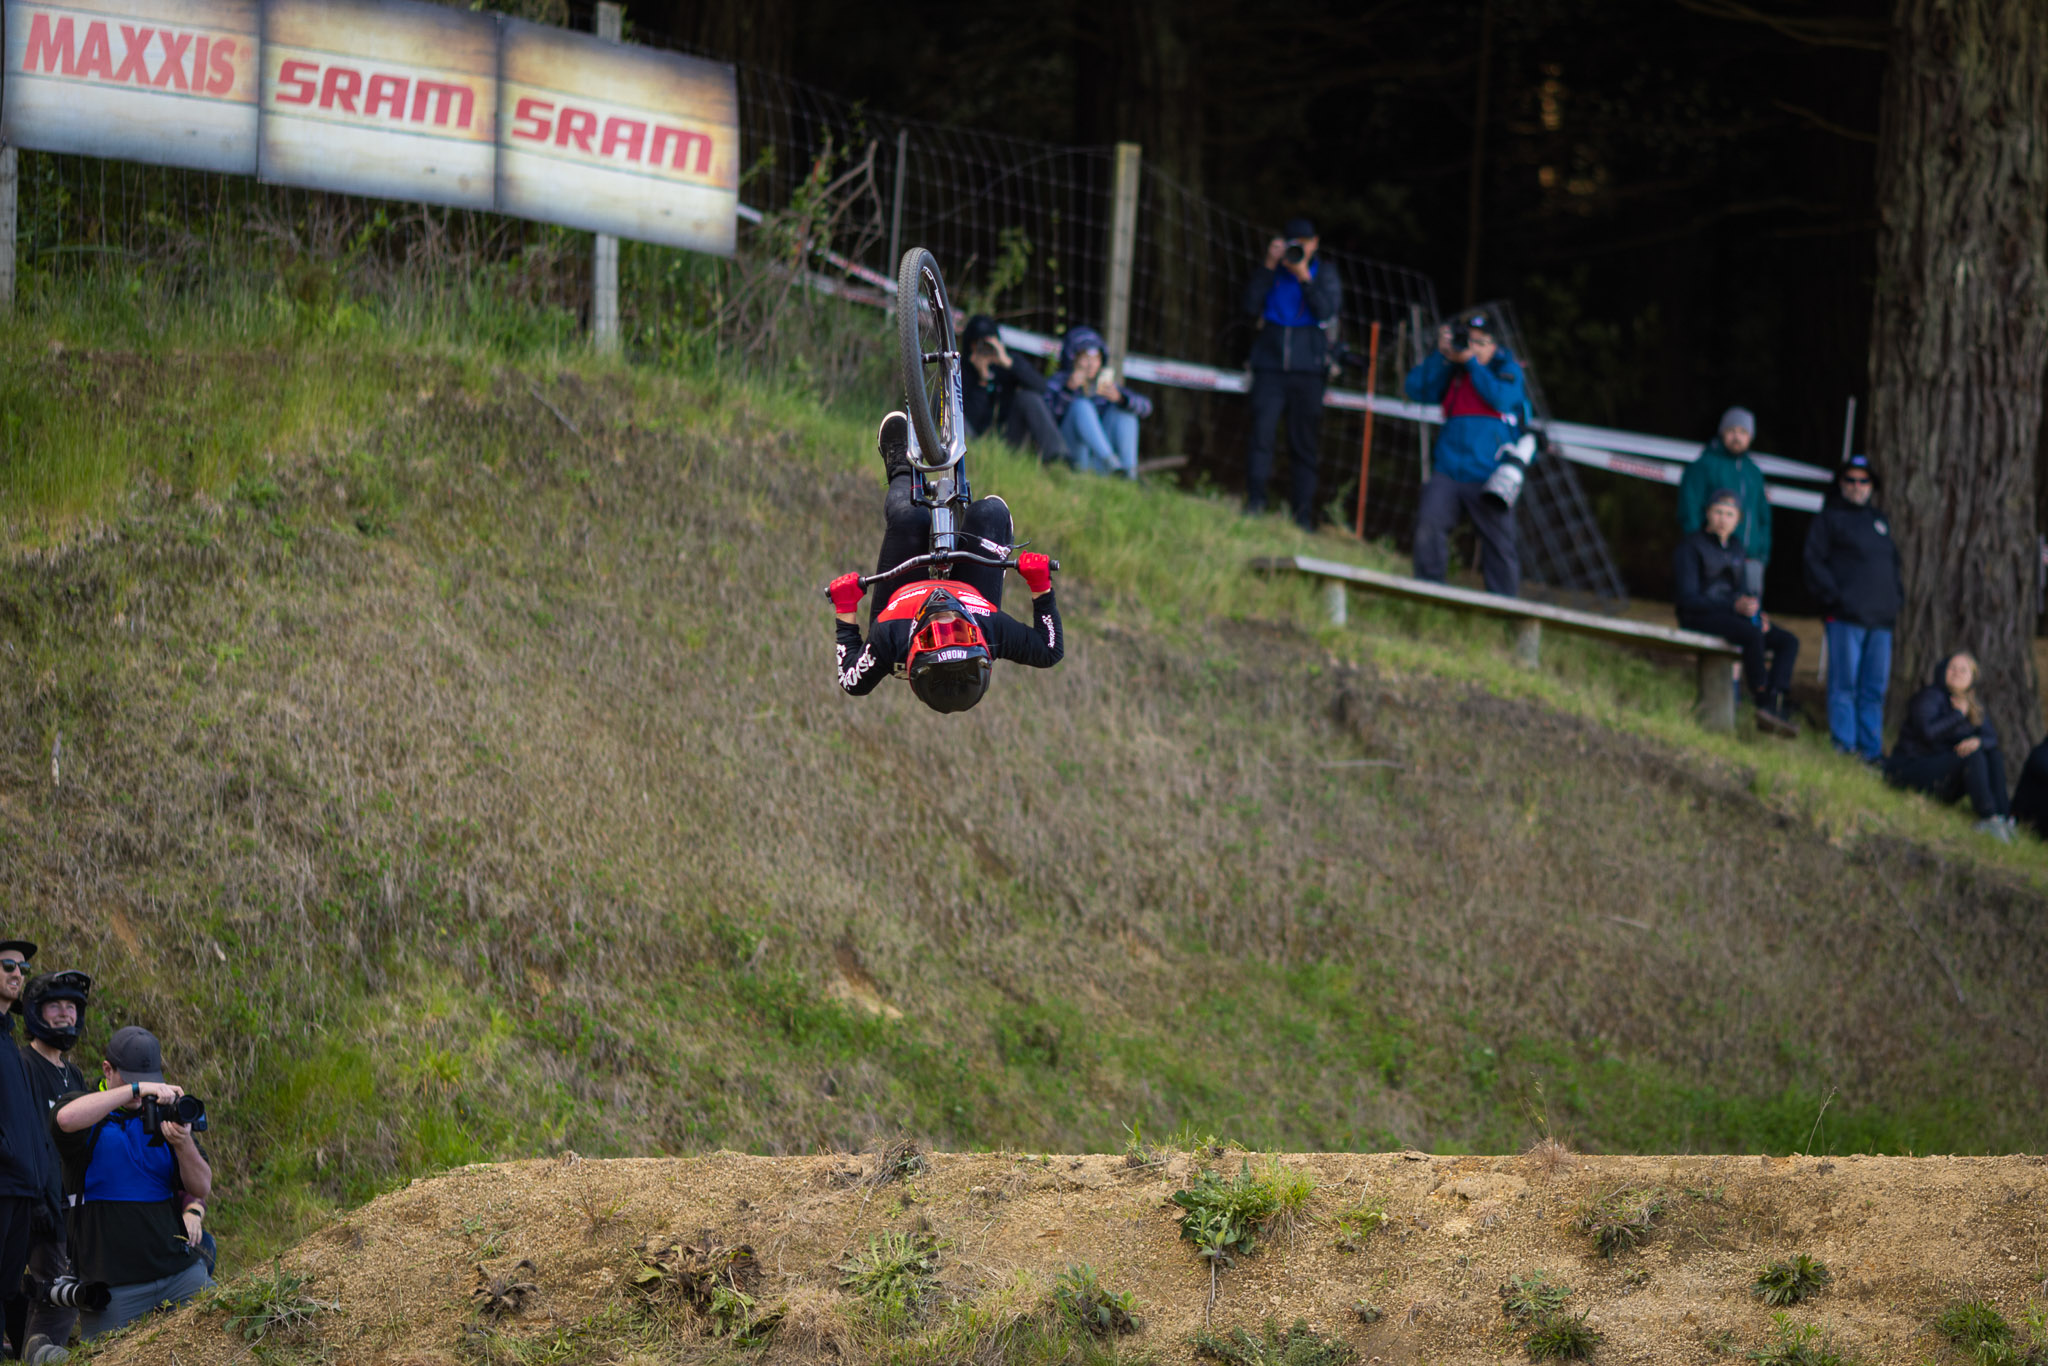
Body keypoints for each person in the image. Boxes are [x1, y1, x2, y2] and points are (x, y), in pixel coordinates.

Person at [829, 412, 1064, 713]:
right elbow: (1049, 650)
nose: (947, 617)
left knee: (909, 518)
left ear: (914, 646)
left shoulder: (890, 638)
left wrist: (846, 607)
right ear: (980, 642)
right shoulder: (991, 629)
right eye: (961, 632)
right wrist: (1041, 586)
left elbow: (851, 679)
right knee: (990, 514)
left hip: (901, 602)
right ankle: (966, 513)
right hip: (973, 594)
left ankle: (900, 467)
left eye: (933, 635)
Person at [52, 1026, 213, 1339]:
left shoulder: (166, 1117)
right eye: (132, 1077)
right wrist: (134, 1090)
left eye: (151, 1078)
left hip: (178, 1273)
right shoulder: (88, 1113)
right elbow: (65, 1120)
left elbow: (201, 1187)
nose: (146, 1088)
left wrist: (183, 1144)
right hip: (114, 1286)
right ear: (107, 1070)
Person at [1404, 310, 1527, 597]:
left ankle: (1505, 608)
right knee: (1428, 524)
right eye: (1469, 341)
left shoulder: (1506, 368)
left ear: (1495, 345)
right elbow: (1415, 389)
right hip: (1448, 469)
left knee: (1499, 544)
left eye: (1481, 343)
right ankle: (1429, 594)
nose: (1473, 348)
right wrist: (1442, 356)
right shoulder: (1452, 368)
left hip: (1489, 473)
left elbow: (1501, 398)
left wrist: (1472, 364)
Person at [1241, 217, 1342, 530]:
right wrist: (1269, 265)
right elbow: (1248, 307)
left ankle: (1302, 516)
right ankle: (1255, 503)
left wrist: (1304, 278)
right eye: (1292, 243)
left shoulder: (1323, 273)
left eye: (1305, 242)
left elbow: (1326, 311)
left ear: (1315, 244)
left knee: (1304, 444)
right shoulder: (1272, 272)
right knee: (1261, 435)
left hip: (1308, 371)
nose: (1299, 248)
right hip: (1270, 367)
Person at [1674, 490, 1800, 735]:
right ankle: (1762, 699)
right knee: (1751, 635)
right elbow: (1687, 599)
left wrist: (1756, 615)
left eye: (1729, 514)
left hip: (1732, 617)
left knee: (1787, 641)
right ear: (1708, 514)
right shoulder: (1690, 547)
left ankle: (1776, 701)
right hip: (1699, 616)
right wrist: (1733, 608)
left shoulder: (1736, 549)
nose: (1723, 519)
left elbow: (1743, 594)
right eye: (1718, 512)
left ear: (1738, 519)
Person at [1802, 454, 1900, 762]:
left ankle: (1870, 751)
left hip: (1881, 620)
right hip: (1845, 617)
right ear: (1841, 484)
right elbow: (1812, 561)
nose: (1857, 486)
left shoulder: (1880, 521)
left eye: (1863, 480)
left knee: (1873, 691)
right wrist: (1833, 597)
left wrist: (1896, 599)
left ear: (1872, 485)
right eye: (1851, 480)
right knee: (1844, 686)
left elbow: (1892, 566)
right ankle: (1844, 746)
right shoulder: (1829, 518)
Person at [15, 972, 88, 1365]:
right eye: (55, 1006)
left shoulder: (72, 1074)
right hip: (37, 1201)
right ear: (36, 1012)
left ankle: (31, 1347)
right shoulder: (22, 1065)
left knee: (59, 1286)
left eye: (71, 1007)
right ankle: (37, 1354)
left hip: (71, 1200)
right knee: (58, 1290)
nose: (65, 1015)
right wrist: (39, 1199)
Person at [1885, 653, 2014, 841]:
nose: (1956, 673)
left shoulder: (1973, 706)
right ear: (1943, 671)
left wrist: (1978, 741)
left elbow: (1991, 738)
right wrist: (1957, 715)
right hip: (1911, 768)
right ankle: (1988, 817)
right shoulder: (1930, 696)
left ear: (1973, 677)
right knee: (1972, 756)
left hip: (1941, 776)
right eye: (1952, 668)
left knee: (1991, 753)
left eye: (1963, 670)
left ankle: (2003, 818)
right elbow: (1927, 734)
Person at [0, 939, 55, 1357]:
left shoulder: (9, 1042)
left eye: (22, 966)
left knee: (6, 1284)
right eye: (7, 965)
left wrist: (35, 1181)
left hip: (20, 1186)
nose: (18, 973)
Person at [959, 315, 1070, 466]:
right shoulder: (961, 370)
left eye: (988, 343)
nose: (983, 349)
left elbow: (1042, 388)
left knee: (1028, 397)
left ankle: (1057, 458)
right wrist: (982, 381)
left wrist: (1009, 363)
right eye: (978, 343)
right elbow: (971, 421)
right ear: (969, 345)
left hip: (1008, 436)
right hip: (974, 441)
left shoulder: (1009, 361)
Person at [1044, 326, 1151, 478]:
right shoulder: (1059, 381)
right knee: (1081, 406)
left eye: (1096, 358)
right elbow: (1047, 421)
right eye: (1086, 358)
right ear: (1072, 357)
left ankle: (1129, 474)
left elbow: (1147, 408)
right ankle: (1111, 462)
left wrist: (1120, 399)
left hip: (1096, 461)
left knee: (1126, 413)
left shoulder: (1105, 385)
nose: (1091, 364)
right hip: (1072, 453)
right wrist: (1068, 391)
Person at [1677, 407, 1773, 571]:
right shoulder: (1704, 465)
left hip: (1751, 560)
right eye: (1732, 430)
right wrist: (1700, 549)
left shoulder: (1754, 473)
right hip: (1712, 558)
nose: (1737, 437)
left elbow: (1763, 516)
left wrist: (1762, 551)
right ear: (1722, 432)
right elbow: (1689, 508)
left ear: (1750, 437)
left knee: (1748, 598)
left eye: (1743, 432)